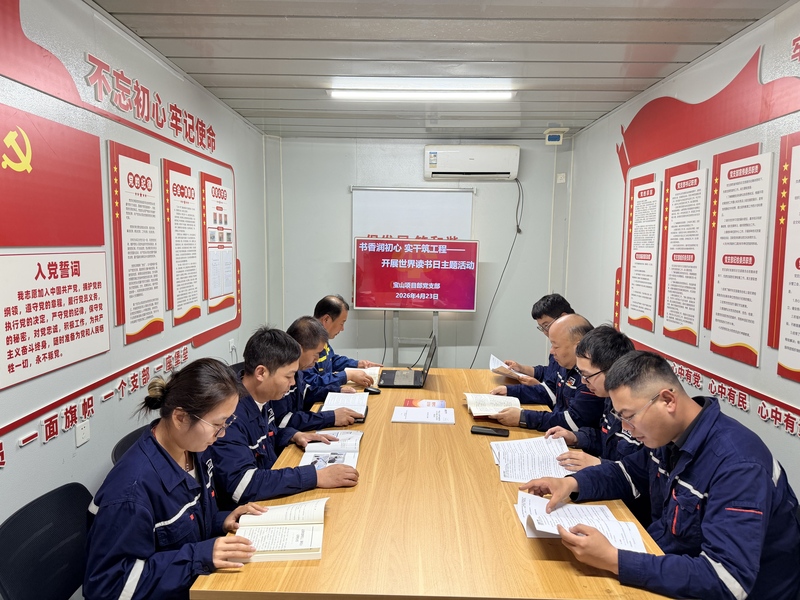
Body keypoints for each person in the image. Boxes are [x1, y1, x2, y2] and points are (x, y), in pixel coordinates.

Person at [521, 351, 800, 600]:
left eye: (629, 417)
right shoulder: (669, 436)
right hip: (666, 562)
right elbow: (627, 473)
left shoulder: (738, 466)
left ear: (667, 400)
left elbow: (727, 581)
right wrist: (571, 483)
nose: (627, 429)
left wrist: (614, 560)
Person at [84, 358, 266, 600]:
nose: (221, 434)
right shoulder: (131, 492)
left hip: (197, 584)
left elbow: (186, 527)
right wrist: (198, 557)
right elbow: (109, 587)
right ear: (180, 418)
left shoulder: (194, 448)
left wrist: (222, 520)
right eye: (217, 424)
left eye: (226, 423)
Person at [207, 326, 359, 510]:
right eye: (289, 376)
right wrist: (315, 476)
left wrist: (292, 434)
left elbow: (268, 435)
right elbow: (243, 485)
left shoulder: (262, 397)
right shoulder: (229, 416)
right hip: (249, 509)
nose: (293, 383)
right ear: (261, 373)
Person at [545, 325, 641, 472]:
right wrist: (576, 437)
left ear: (613, 371)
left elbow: (639, 476)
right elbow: (605, 440)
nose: (583, 382)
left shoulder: (641, 412)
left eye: (587, 375)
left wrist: (599, 464)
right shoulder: (609, 397)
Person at [490, 314, 603, 432]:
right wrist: (510, 391)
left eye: (556, 346)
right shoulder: (565, 364)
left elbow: (573, 422)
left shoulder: (591, 376)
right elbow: (549, 393)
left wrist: (523, 417)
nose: (552, 351)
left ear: (578, 347)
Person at [271, 316, 363, 445]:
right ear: (299, 349)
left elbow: (306, 392)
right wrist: (330, 417)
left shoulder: (297, 371)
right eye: (316, 354)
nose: (317, 359)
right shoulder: (279, 375)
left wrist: (335, 390)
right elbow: (282, 421)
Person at [501, 293, 575, 398]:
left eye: (546, 325)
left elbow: (560, 397)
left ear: (563, 318)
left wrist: (541, 388)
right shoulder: (558, 345)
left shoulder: (580, 353)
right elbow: (551, 372)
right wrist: (521, 368)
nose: (545, 332)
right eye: (541, 328)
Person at [304, 294, 381, 390]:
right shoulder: (306, 343)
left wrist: (357, 364)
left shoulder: (320, 338)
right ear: (326, 320)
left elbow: (331, 360)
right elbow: (310, 384)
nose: (342, 329)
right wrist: (346, 376)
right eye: (341, 323)